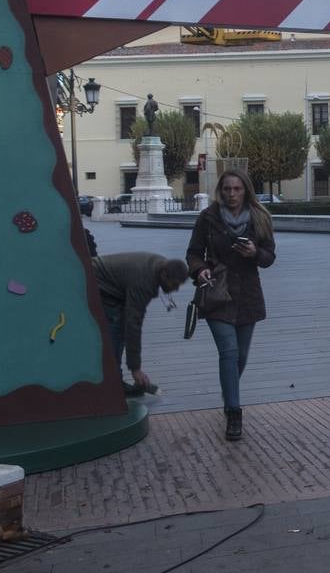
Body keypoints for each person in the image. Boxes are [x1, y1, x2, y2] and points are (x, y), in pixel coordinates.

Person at [186, 168, 276, 441]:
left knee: (241, 356)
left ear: (246, 190)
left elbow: (270, 256)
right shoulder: (208, 218)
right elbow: (193, 253)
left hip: (247, 294)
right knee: (229, 352)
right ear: (220, 191)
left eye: (237, 189)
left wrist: (254, 253)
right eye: (227, 189)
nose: (232, 194)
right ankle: (234, 413)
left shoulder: (260, 218)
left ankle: (229, 390)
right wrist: (200, 269)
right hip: (217, 293)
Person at [92, 252, 189, 396]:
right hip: (95, 282)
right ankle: (111, 384)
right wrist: (135, 368)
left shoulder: (160, 264)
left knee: (120, 327)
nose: (176, 289)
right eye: (174, 284)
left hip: (104, 280)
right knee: (116, 330)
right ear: (163, 274)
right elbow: (134, 324)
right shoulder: (144, 282)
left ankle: (114, 380)